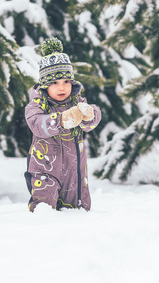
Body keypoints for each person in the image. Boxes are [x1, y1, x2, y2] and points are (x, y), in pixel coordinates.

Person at [24, 37, 101, 212]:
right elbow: (37, 124)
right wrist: (62, 120)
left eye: (66, 82)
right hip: (45, 170)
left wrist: (90, 114)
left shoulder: (77, 102)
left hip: (74, 171)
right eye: (55, 83)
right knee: (44, 208)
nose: (62, 88)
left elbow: (91, 121)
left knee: (76, 209)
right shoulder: (36, 105)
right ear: (44, 85)